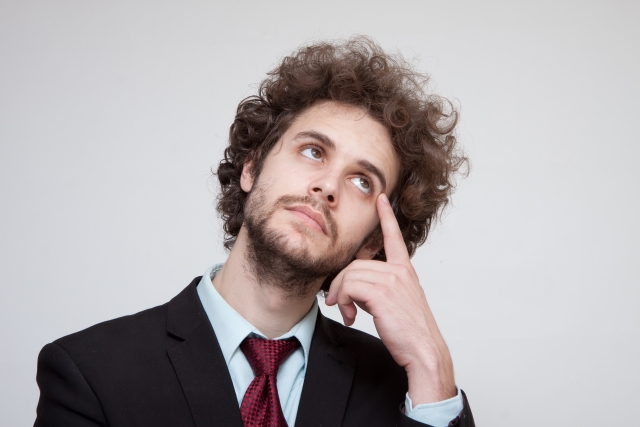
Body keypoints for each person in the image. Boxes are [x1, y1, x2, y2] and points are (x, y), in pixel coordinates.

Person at [34, 37, 475, 427]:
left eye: (363, 181)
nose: (327, 187)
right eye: (312, 151)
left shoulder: (408, 392)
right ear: (251, 166)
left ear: (374, 239)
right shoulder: (90, 372)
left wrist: (430, 362)